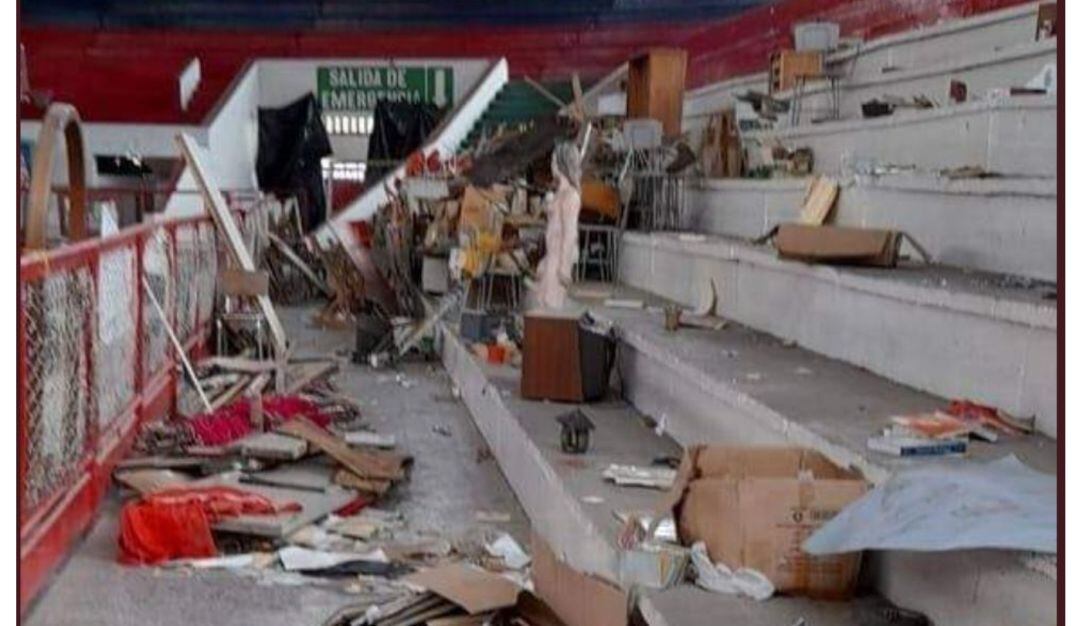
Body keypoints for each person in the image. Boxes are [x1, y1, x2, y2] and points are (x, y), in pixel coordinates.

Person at [531, 142, 582, 310]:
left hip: (560, 256)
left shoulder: (571, 196)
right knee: (540, 299)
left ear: (562, 164)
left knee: (551, 304)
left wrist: (564, 267)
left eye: (554, 161)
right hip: (552, 254)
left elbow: (570, 233)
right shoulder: (559, 194)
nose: (552, 166)